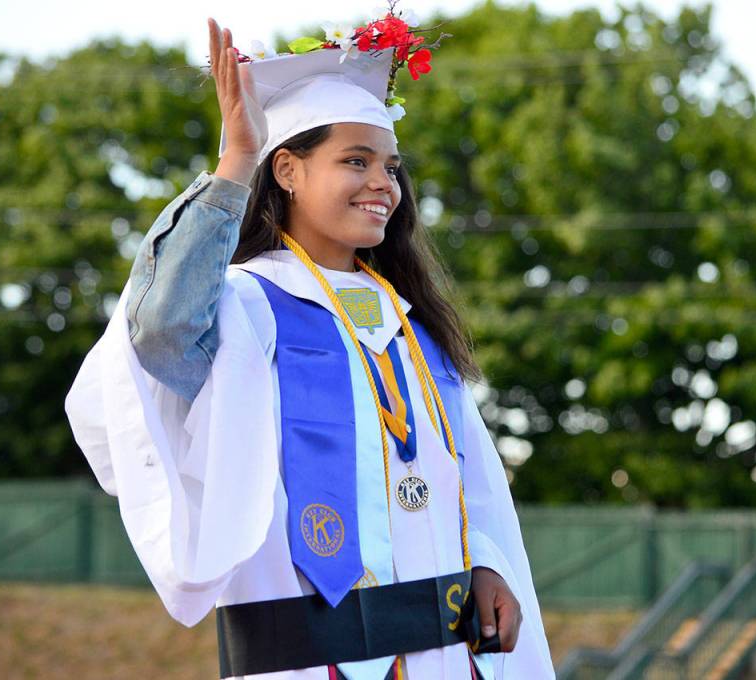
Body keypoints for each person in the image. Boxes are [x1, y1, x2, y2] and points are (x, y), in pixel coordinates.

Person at [65, 11, 554, 680]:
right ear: (288, 170)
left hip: (448, 659)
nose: (384, 183)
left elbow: (467, 483)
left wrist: (489, 558)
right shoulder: (246, 306)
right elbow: (159, 335)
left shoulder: (413, 324)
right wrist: (237, 159)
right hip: (312, 659)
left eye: (391, 166)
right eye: (356, 161)